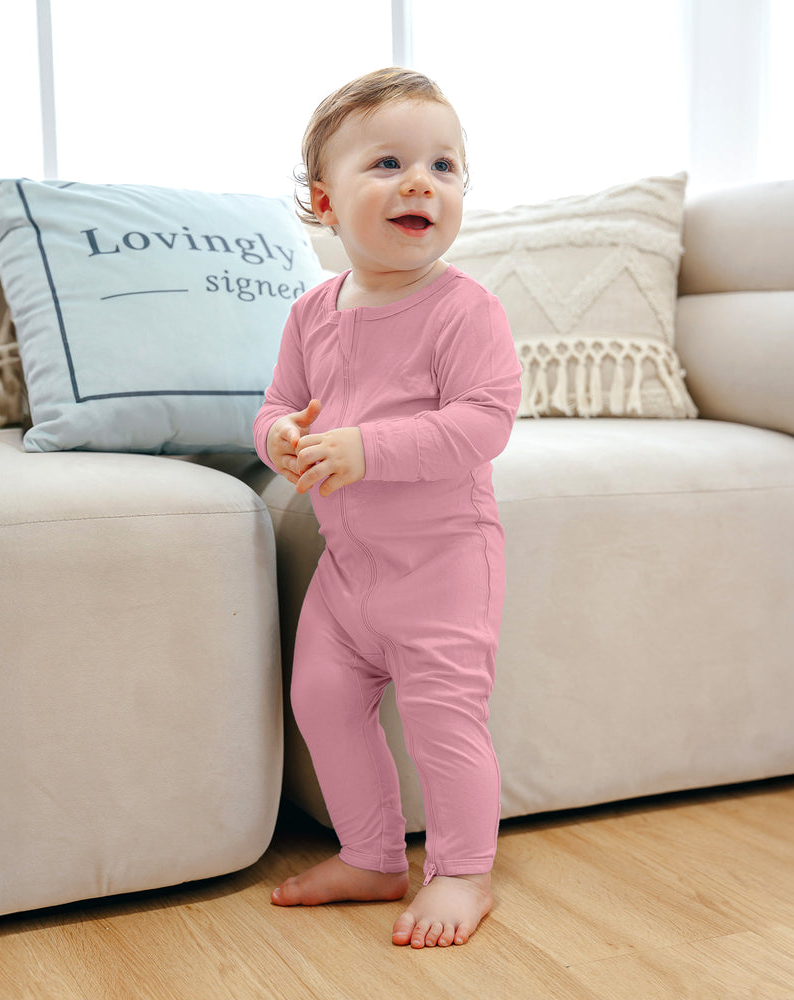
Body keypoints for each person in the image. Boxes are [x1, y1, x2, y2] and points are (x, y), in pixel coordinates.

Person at [253, 67, 522, 949]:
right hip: (350, 572)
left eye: (444, 166)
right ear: (325, 202)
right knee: (322, 698)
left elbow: (484, 423)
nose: (421, 183)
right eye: (390, 163)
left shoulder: (464, 310)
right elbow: (278, 404)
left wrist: (366, 449)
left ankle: (464, 872)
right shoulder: (311, 312)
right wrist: (278, 438)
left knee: (446, 724)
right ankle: (371, 857)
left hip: (443, 565)